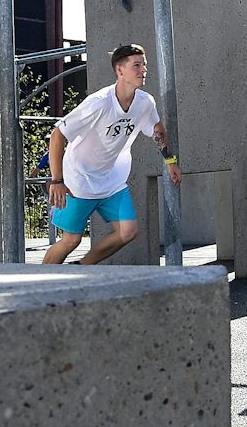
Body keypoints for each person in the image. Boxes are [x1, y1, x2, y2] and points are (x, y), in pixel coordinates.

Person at [44, 44, 181, 265]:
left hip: (112, 181)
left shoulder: (145, 102)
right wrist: (57, 180)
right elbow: (57, 135)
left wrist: (170, 160)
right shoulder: (99, 103)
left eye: (144, 64)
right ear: (120, 70)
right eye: (137, 65)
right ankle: (39, 285)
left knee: (128, 231)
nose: (144, 69)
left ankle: (84, 268)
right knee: (71, 240)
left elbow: (156, 129)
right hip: (79, 181)